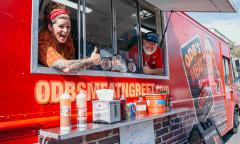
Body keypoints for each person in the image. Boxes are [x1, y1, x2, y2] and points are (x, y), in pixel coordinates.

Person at [38, 2, 101, 72]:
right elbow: (66, 68)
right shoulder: (42, 41)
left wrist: (89, 60)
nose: (65, 31)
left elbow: (72, 63)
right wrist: (90, 60)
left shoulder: (68, 38)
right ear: (50, 26)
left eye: (68, 27)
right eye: (61, 26)